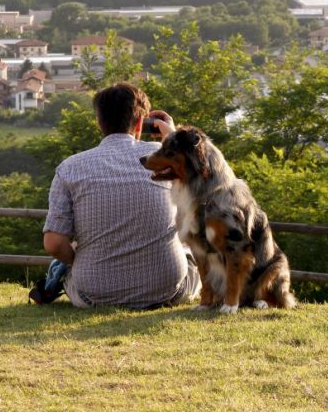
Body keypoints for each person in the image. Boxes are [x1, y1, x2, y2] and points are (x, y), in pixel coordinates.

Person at [30, 82, 200, 309]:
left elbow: (54, 243)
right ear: (141, 122)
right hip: (167, 290)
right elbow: (204, 187)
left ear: (100, 122)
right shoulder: (164, 160)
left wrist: (79, 261)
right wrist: (172, 139)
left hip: (94, 295)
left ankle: (52, 285)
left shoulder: (70, 167)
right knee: (188, 246)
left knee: (64, 260)